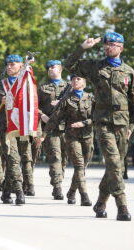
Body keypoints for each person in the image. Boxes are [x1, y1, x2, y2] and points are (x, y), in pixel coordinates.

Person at [64, 32, 134, 221]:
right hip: (103, 121)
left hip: (122, 123)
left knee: (117, 167)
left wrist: (132, 124)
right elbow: (69, 66)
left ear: (121, 48)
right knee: (114, 163)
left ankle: (100, 203)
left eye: (113, 44)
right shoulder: (95, 66)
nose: (108, 47)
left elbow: (133, 101)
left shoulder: (129, 71)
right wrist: (83, 48)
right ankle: (122, 206)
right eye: (106, 44)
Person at [44, 75, 94, 206]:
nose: (75, 81)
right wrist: (43, 134)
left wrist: (84, 123)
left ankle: (71, 191)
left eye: (78, 79)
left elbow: (97, 117)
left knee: (83, 168)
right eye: (73, 79)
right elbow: (55, 118)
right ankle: (84, 195)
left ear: (84, 82)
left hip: (88, 136)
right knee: (78, 165)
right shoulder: (65, 99)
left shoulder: (91, 98)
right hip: (72, 136)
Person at [0, 54, 28, 205]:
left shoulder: (26, 84)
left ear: (20, 66)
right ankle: (19, 191)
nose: (9, 66)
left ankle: (5, 192)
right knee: (13, 158)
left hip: (22, 127)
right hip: (5, 128)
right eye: (8, 64)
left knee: (17, 160)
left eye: (13, 64)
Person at [38, 60, 69, 200]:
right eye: (48, 67)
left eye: (53, 67)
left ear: (61, 69)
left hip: (66, 128)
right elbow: (34, 106)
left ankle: (59, 179)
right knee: (55, 157)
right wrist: (42, 115)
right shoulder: (43, 87)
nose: (50, 69)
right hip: (50, 128)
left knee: (64, 158)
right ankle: (57, 187)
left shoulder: (70, 87)